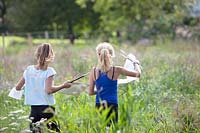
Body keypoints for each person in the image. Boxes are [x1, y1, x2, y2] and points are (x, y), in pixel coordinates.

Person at [15, 43, 71, 133]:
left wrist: (30, 86)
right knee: (55, 131)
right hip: (47, 109)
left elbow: (18, 88)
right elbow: (49, 90)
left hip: (34, 111)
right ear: (51, 56)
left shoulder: (29, 70)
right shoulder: (49, 71)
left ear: (37, 54)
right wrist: (63, 85)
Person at [88, 42, 141, 127]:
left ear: (98, 55)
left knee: (101, 129)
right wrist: (136, 63)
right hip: (112, 105)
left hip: (99, 105)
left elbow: (90, 92)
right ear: (111, 55)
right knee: (112, 129)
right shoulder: (117, 70)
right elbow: (138, 74)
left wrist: (100, 90)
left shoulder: (93, 71)